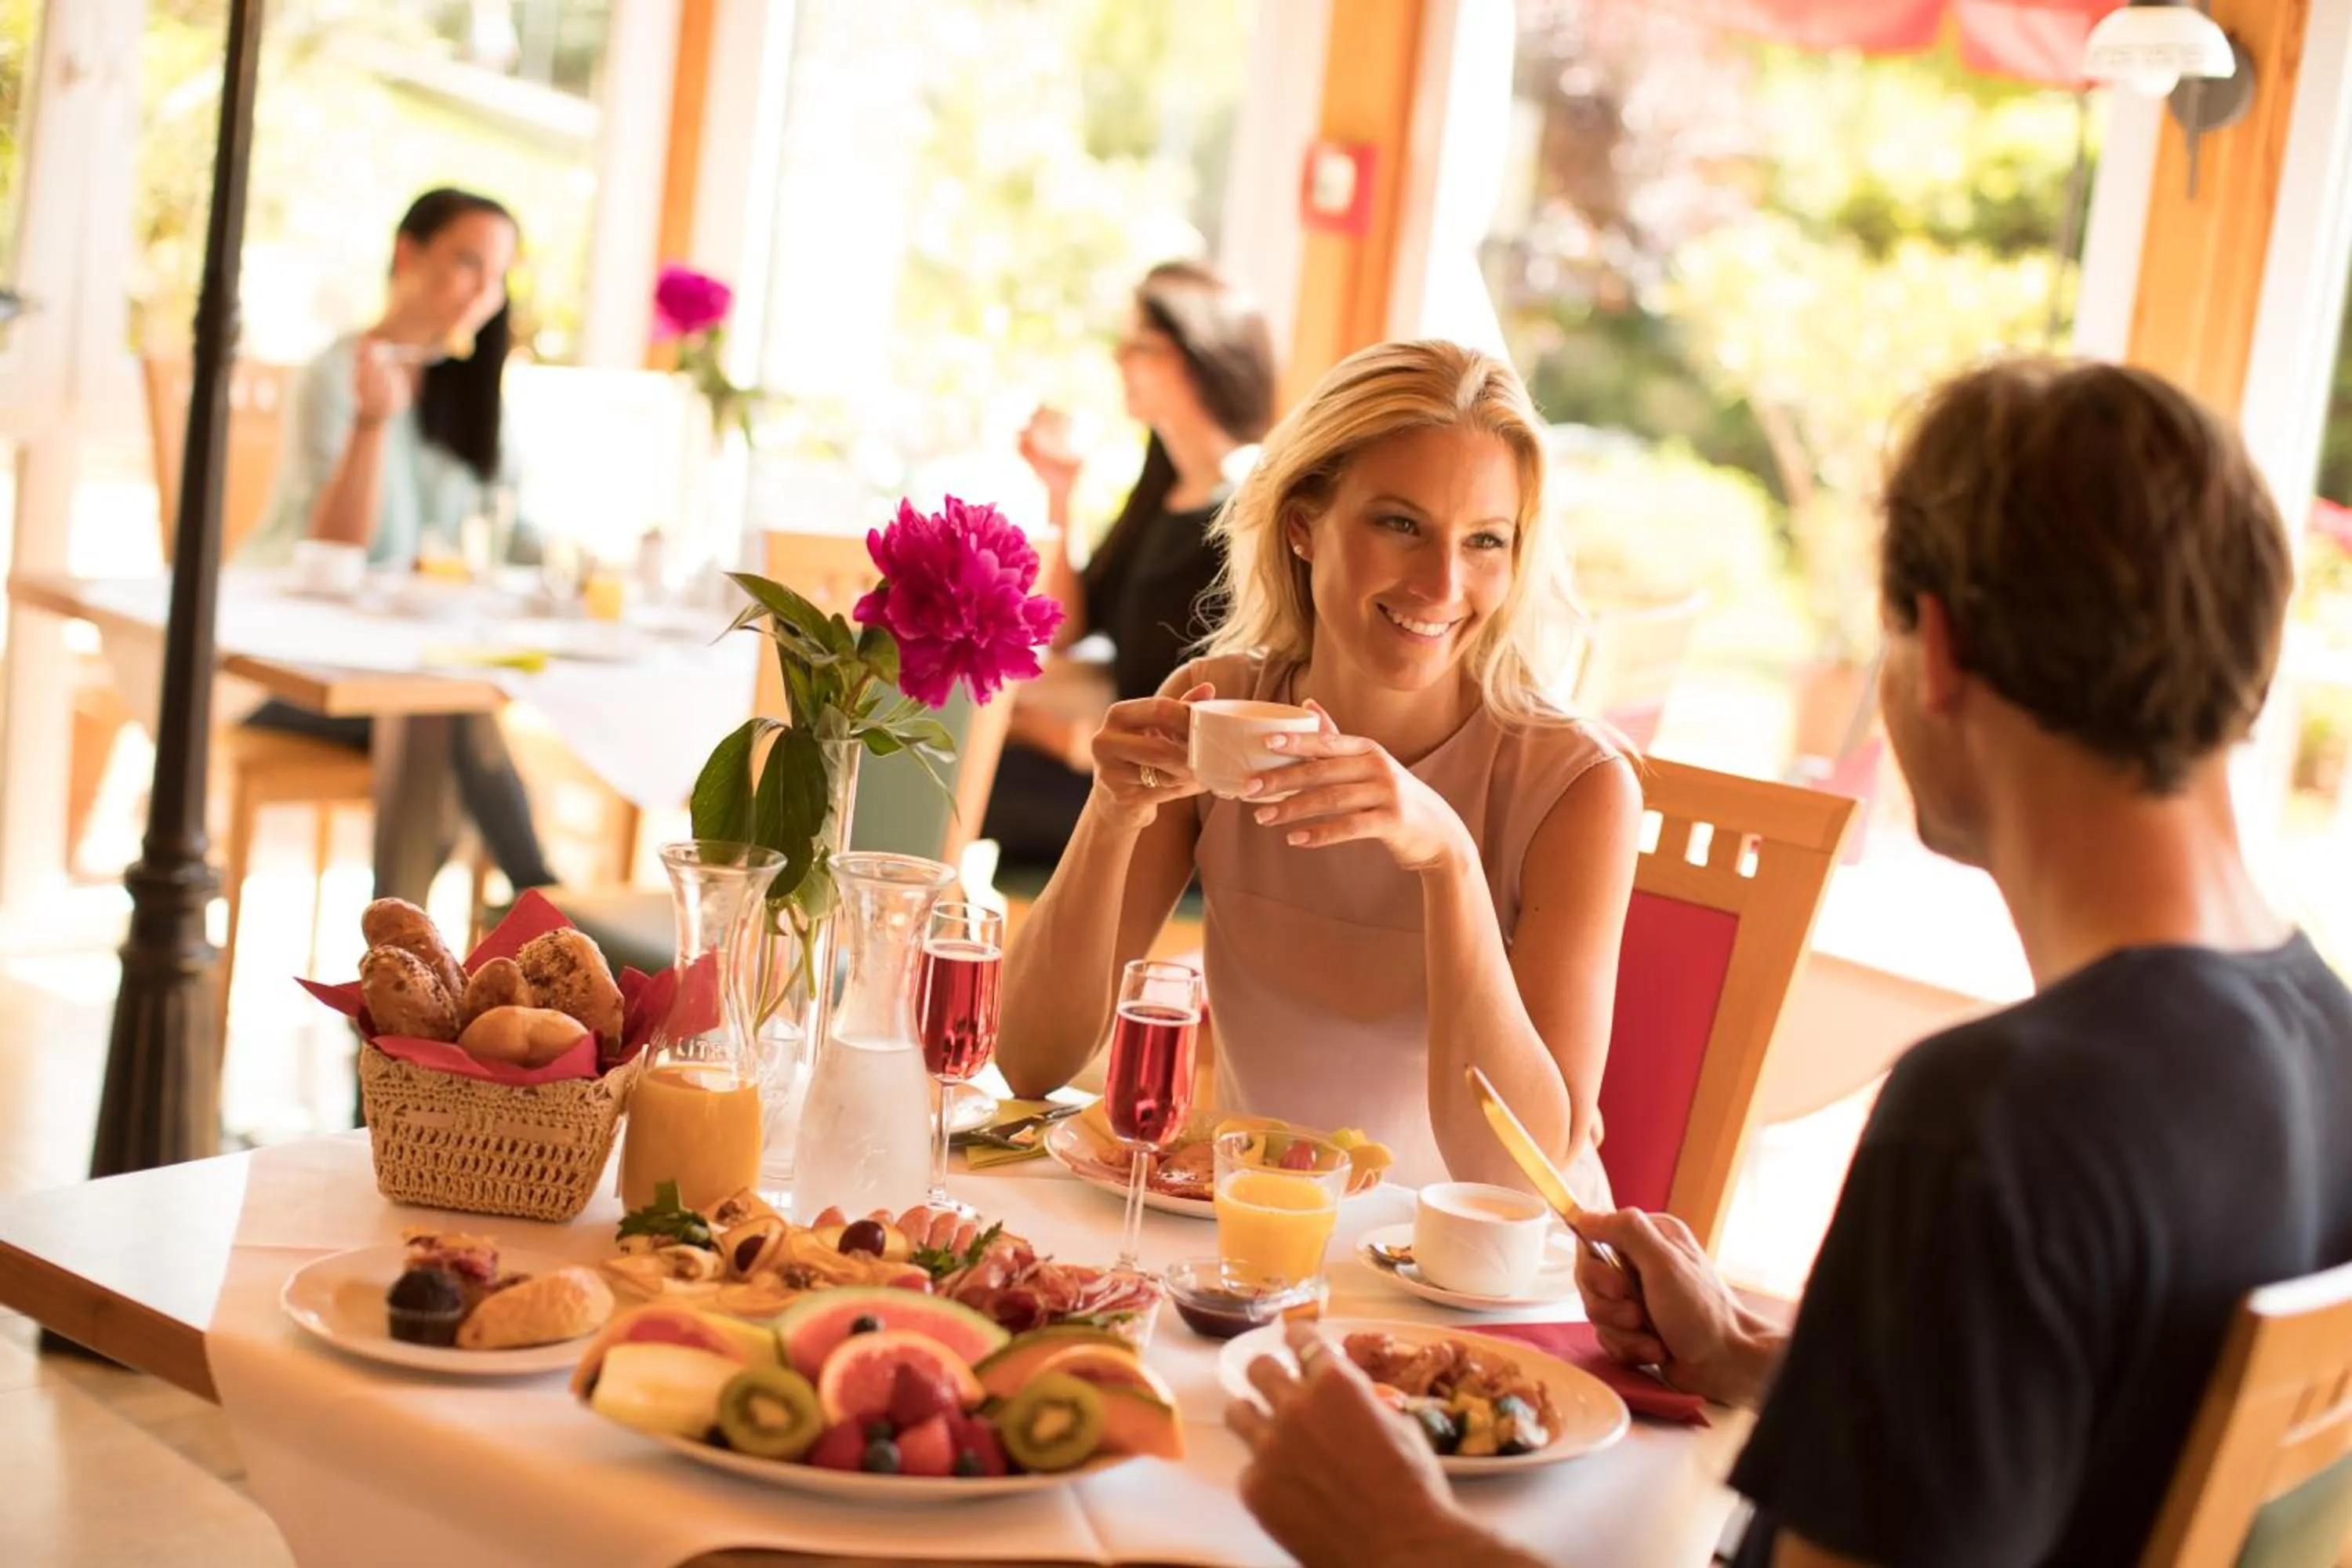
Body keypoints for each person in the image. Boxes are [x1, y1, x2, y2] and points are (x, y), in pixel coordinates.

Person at [1223, 358, 2352, 1567]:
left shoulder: (1999, 1122)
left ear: (1939, 649)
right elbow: (2080, 1424)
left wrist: (1399, 1536)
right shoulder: (2325, 1040)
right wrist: (1753, 1356)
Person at [998, 339, 1640, 1198]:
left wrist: (1448, 859)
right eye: (1401, 524)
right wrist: (1112, 815)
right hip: (1259, 1234)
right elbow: (1029, 1059)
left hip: (1478, 1260)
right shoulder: (1220, 712)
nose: (1442, 582)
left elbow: (1516, 1179)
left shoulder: (1578, 785)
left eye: (1485, 540)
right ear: (1303, 525)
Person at [242, 187, 557, 893]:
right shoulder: (335, 377)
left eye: (498, 277)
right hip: (287, 661)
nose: (484, 293)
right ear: (407, 254)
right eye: (468, 263)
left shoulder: (469, 392)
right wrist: (371, 424)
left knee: (439, 713)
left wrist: (586, 566)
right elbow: (335, 556)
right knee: (445, 709)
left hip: (407, 669)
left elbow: (513, 534)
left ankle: (420, 946)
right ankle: (542, 896)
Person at [981, 260, 1279, 869]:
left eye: (1141, 344)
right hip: (1117, 764)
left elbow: (1204, 721)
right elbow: (1066, 628)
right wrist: (1061, 491)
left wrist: (1038, 727)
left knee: (969, 778)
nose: (1119, 358)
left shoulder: (1251, 508)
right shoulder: (1163, 487)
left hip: (1172, 796)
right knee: (965, 765)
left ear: (1200, 356)